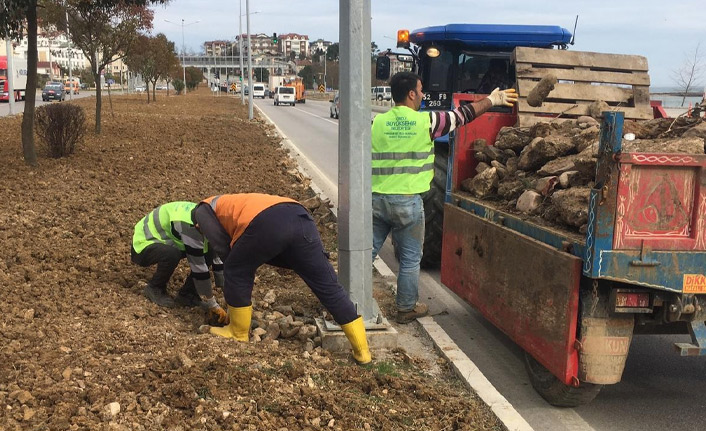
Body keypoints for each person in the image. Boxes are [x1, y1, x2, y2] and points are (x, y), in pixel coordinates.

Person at [371, 71, 517, 323]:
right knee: (409, 259)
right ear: (411, 94)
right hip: (408, 203)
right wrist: (492, 100)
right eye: (420, 89)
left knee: (364, 253)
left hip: (378, 200)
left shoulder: (378, 123)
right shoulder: (426, 121)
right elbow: (462, 116)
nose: (423, 94)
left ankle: (348, 304)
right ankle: (405, 308)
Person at [192, 193, 371, 365]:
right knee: (326, 284)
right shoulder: (231, 203)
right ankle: (362, 352)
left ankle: (237, 332)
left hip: (268, 222)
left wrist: (233, 294)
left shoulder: (202, 210)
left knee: (235, 269)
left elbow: (225, 251)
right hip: (300, 217)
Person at [131, 201, 228, 325]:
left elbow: (216, 256)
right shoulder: (190, 227)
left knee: (208, 251)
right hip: (144, 243)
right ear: (199, 226)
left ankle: (188, 295)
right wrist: (212, 304)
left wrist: (227, 292)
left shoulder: (208, 219)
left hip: (168, 240)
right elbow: (199, 268)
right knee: (172, 254)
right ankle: (155, 288)